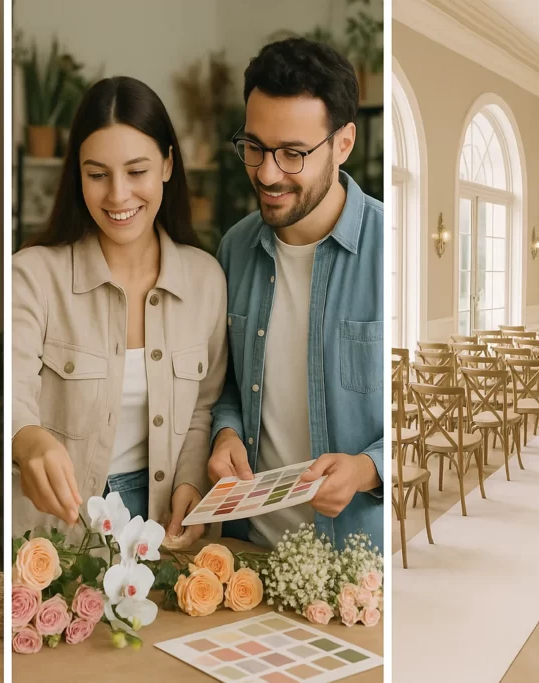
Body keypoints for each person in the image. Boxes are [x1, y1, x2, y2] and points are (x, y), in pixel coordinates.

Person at [11, 76, 227, 547]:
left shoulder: (206, 280)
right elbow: (13, 391)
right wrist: (27, 439)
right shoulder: (32, 275)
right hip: (55, 532)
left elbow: (203, 407)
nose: (117, 195)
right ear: (77, 175)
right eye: (97, 175)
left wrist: (191, 481)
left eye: (136, 171)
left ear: (167, 164)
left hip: (162, 524)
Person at [209, 38, 384, 551]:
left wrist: (368, 468)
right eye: (255, 147)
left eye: (292, 154)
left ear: (343, 143)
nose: (267, 173)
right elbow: (225, 384)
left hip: (353, 568)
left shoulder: (391, 249)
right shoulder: (234, 249)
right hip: (247, 554)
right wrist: (225, 433)